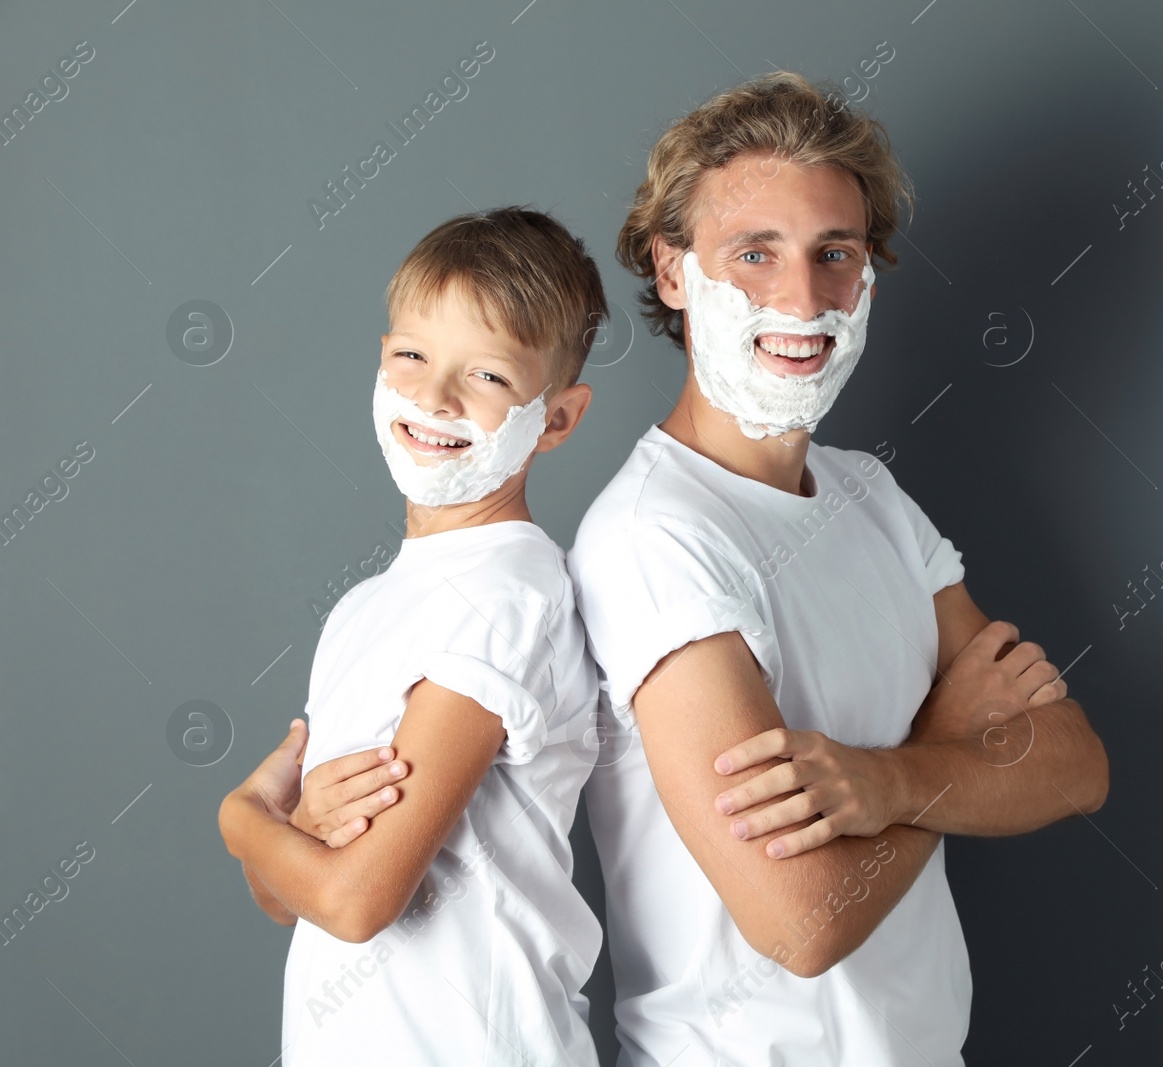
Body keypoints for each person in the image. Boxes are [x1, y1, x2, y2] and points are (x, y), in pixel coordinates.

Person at [563, 72, 1111, 1065]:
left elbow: (1073, 762)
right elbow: (802, 923)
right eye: (754, 254)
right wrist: (949, 742)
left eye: (835, 254)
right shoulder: (655, 538)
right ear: (673, 270)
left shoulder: (870, 498)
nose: (803, 298)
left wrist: (886, 778)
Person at [217, 207, 610, 1067]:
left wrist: (244, 816)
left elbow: (357, 902)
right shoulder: (365, 606)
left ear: (558, 417)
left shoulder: (507, 594)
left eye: (491, 377)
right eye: (412, 358)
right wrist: (301, 831)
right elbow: (286, 899)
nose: (435, 398)